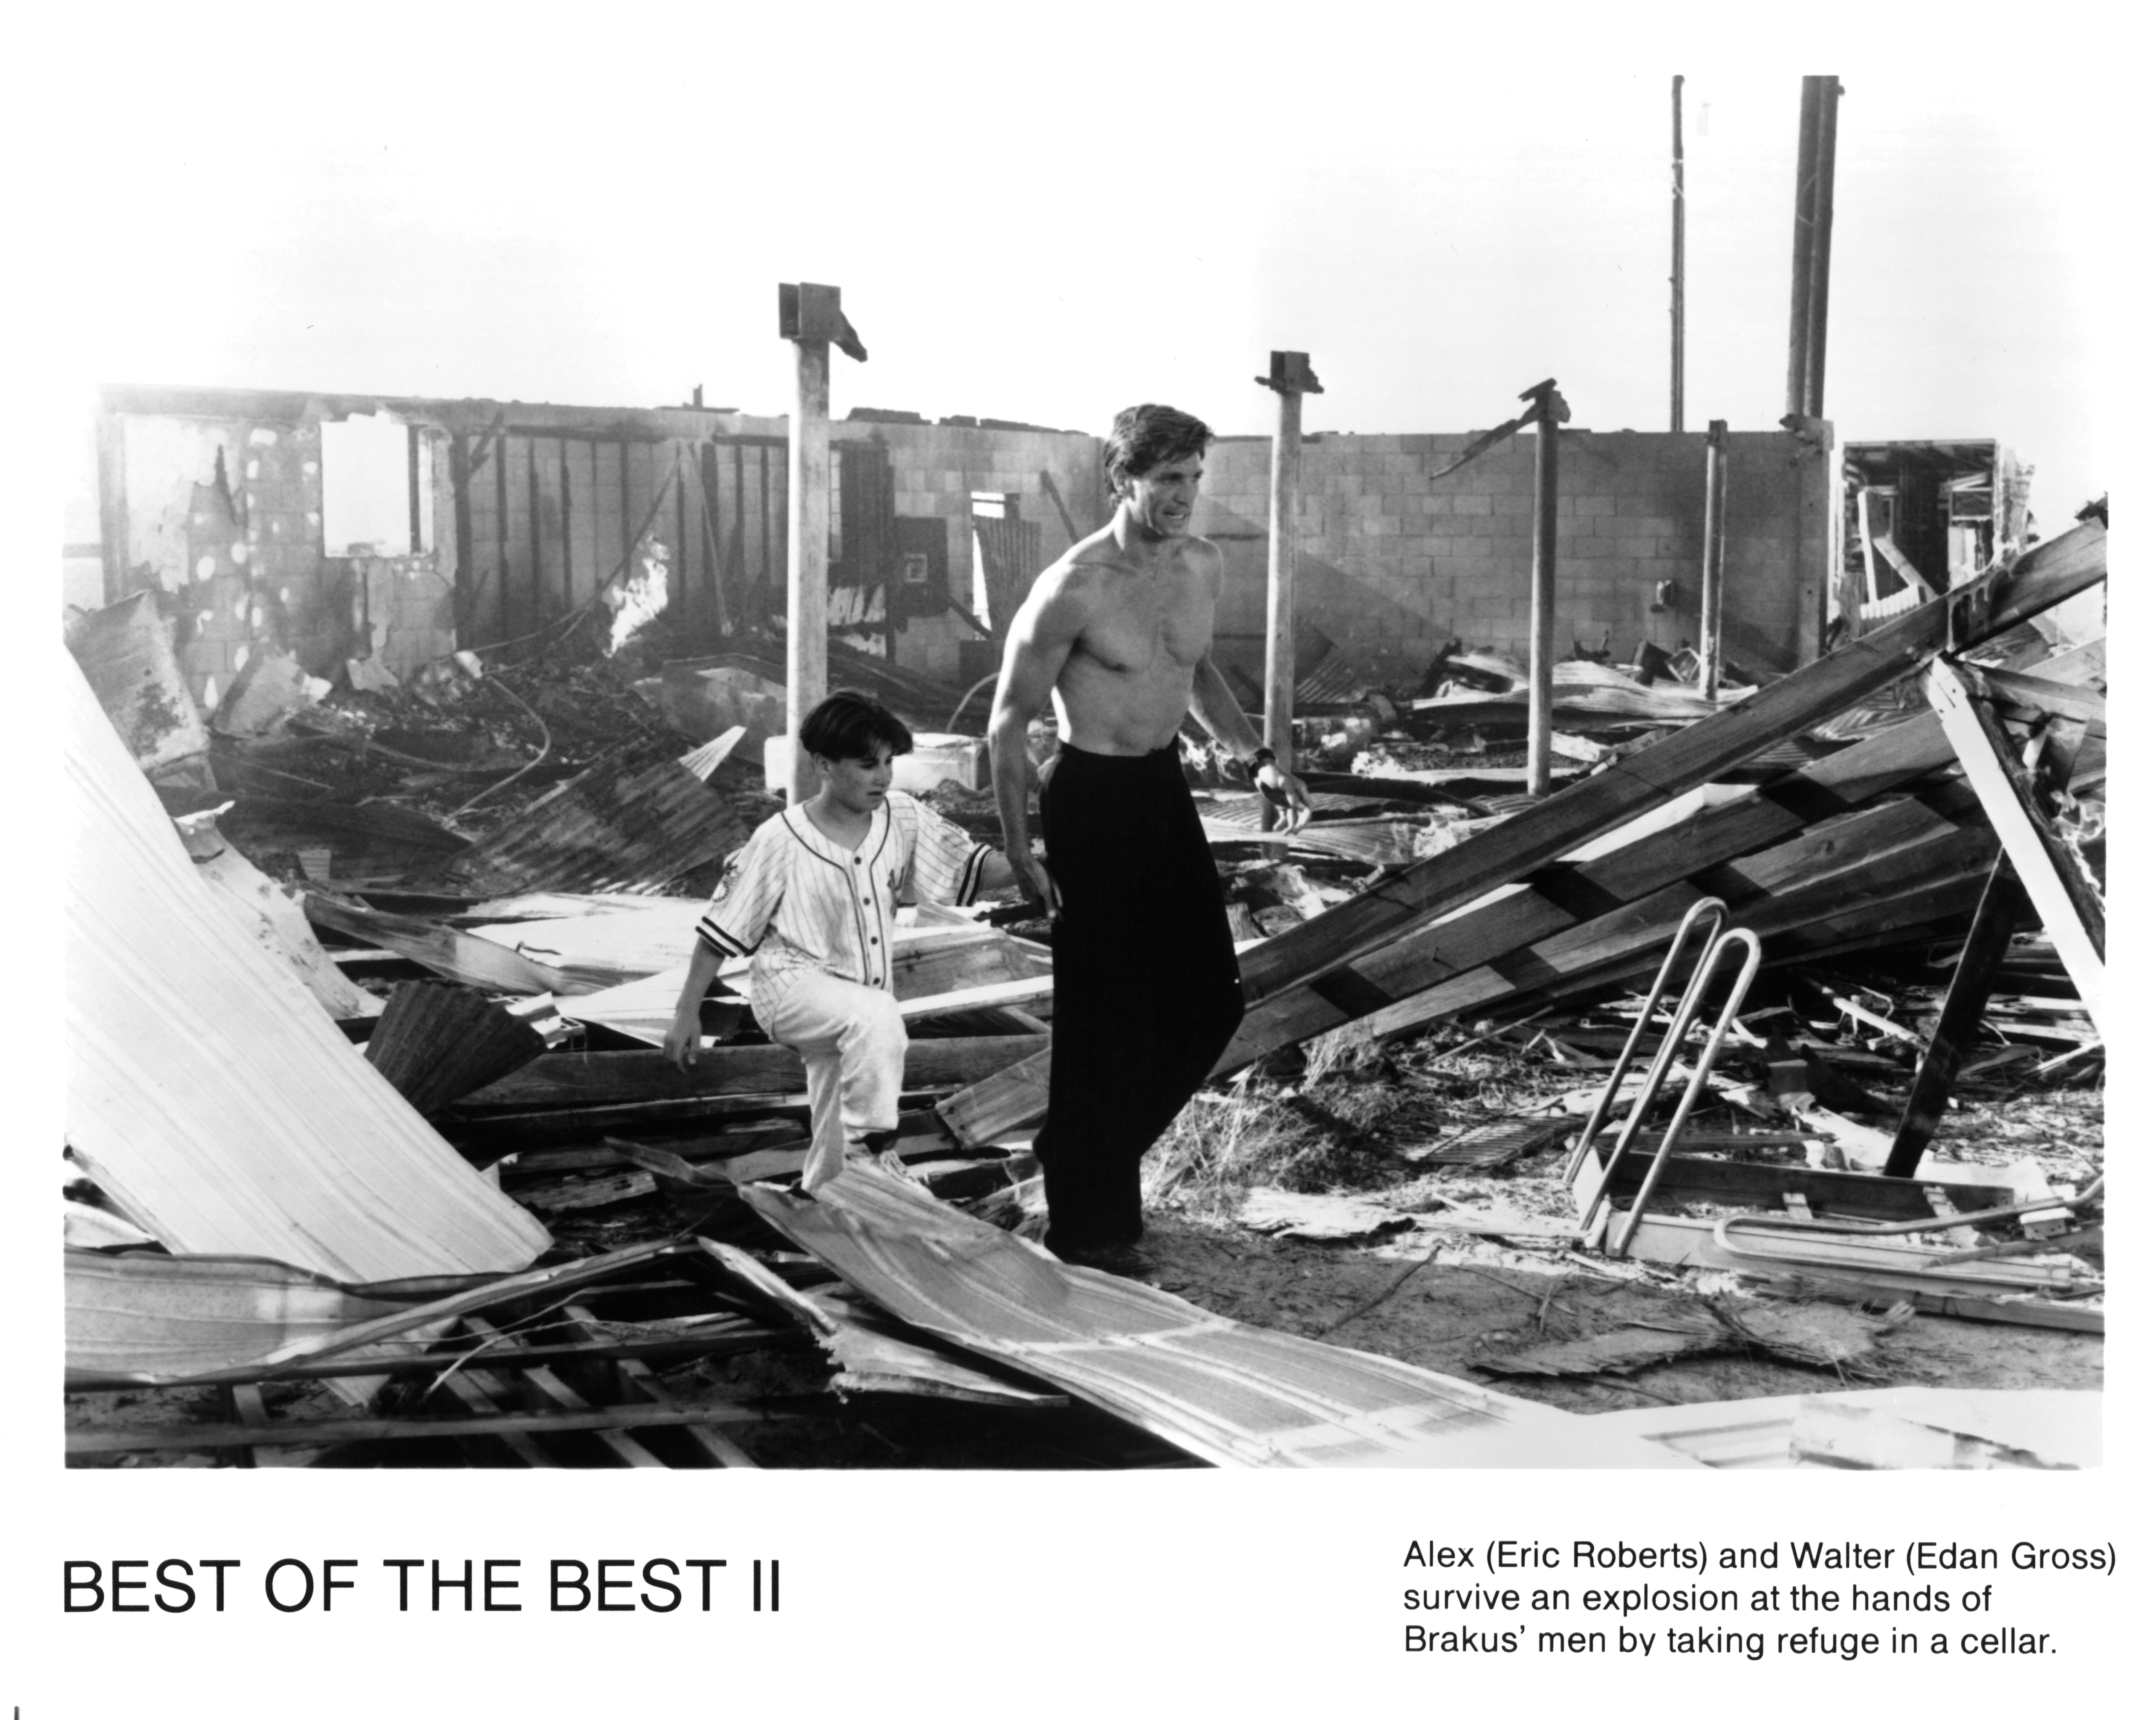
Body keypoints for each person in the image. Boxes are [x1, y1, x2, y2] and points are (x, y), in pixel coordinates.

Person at [989, 403, 1310, 1266]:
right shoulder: (1074, 584)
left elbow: (1194, 670)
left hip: (1162, 790)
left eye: (1194, 477)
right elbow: (1007, 723)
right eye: (1166, 478)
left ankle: (1077, 1154)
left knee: (1211, 1001)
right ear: (1122, 478)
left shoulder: (1200, 566)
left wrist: (1257, 759)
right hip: (1089, 796)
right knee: (1105, 1016)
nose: (1183, 496)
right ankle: (1090, 1224)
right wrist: (1022, 851)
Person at [664, 689, 1012, 1191]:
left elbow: (975, 866)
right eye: (868, 764)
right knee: (876, 1019)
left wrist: (1043, 858)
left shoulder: (903, 816)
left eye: (890, 762)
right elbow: (722, 927)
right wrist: (686, 1010)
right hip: (791, 989)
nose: (884, 776)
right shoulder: (780, 837)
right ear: (824, 764)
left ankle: (825, 1200)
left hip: (855, 998)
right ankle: (871, 1157)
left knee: (837, 1107)